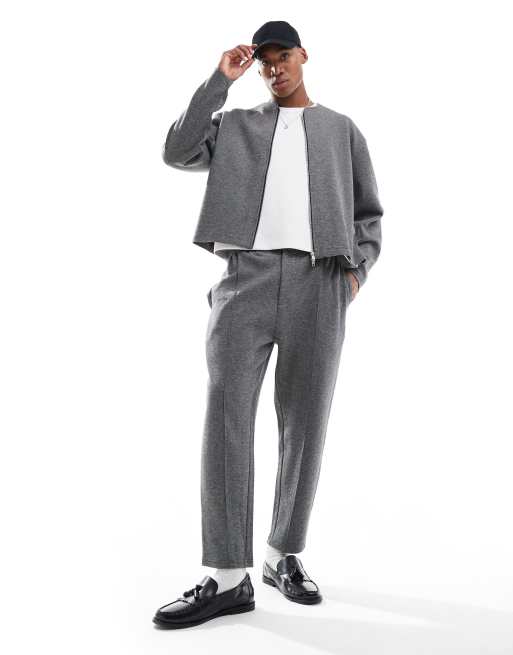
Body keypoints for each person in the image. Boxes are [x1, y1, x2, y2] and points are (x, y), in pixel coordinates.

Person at [153, 20, 383, 629]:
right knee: (226, 416)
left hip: (319, 282)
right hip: (244, 280)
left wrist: (353, 276)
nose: (275, 68)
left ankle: (283, 555)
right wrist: (218, 80)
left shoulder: (341, 130)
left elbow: (368, 214)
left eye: (283, 56)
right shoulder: (235, 125)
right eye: (265, 62)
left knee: (305, 421)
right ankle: (229, 576)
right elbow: (177, 150)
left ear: (303, 56)